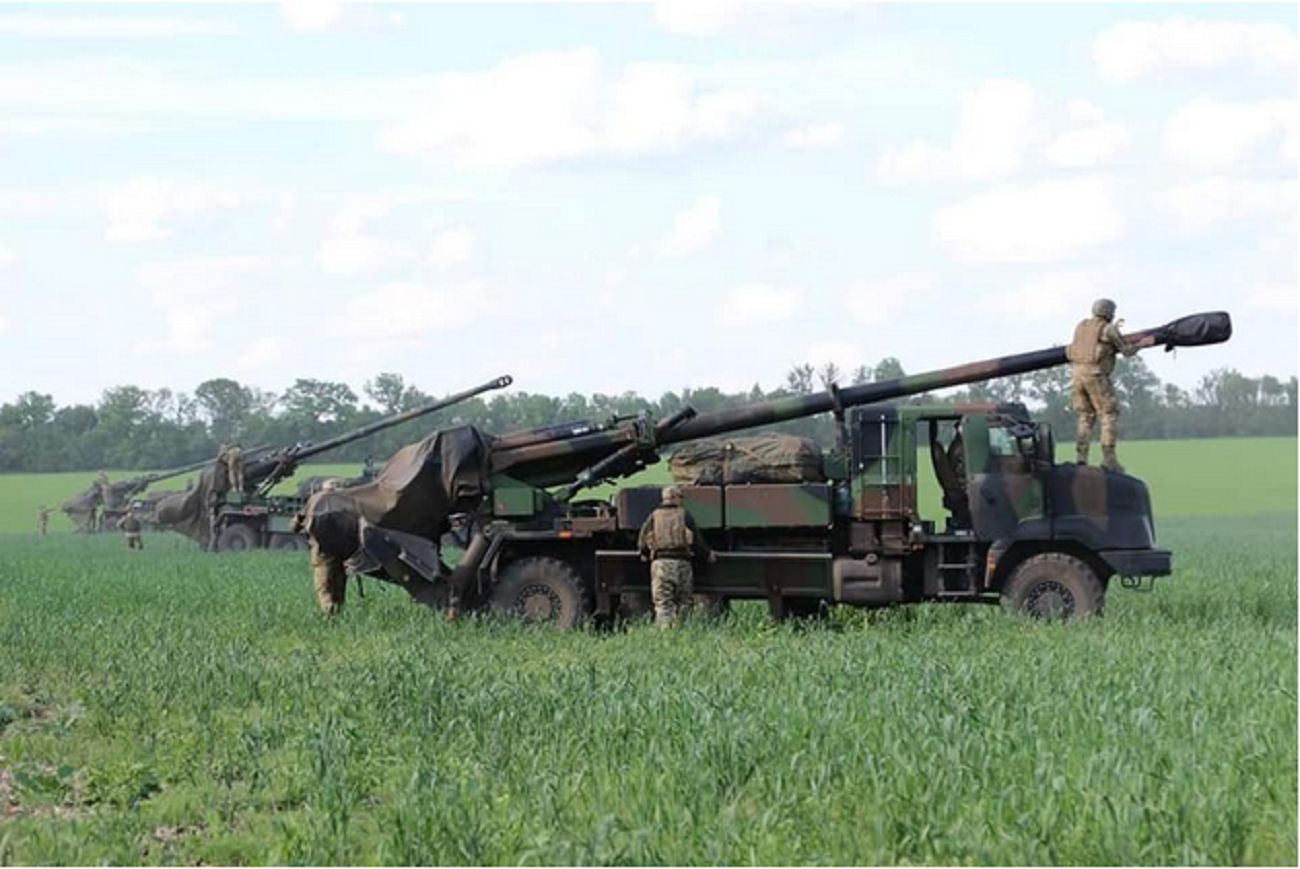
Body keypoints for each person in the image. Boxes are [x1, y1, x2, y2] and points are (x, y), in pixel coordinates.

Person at [1066, 298, 1153, 472]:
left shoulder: (1081, 326)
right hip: (1095, 375)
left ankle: (1081, 458)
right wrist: (1141, 345)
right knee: (1108, 414)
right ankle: (1109, 459)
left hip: (1076, 376)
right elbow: (1126, 351)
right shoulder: (1108, 329)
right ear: (1109, 313)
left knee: (1085, 416)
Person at [637, 486, 715, 627]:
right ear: (674, 498)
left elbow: (643, 538)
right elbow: (697, 540)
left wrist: (643, 553)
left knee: (663, 603)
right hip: (682, 564)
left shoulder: (654, 516)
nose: (681, 500)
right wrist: (708, 554)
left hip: (661, 565)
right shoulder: (684, 515)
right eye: (680, 497)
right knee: (684, 602)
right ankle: (683, 630)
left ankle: (665, 633)